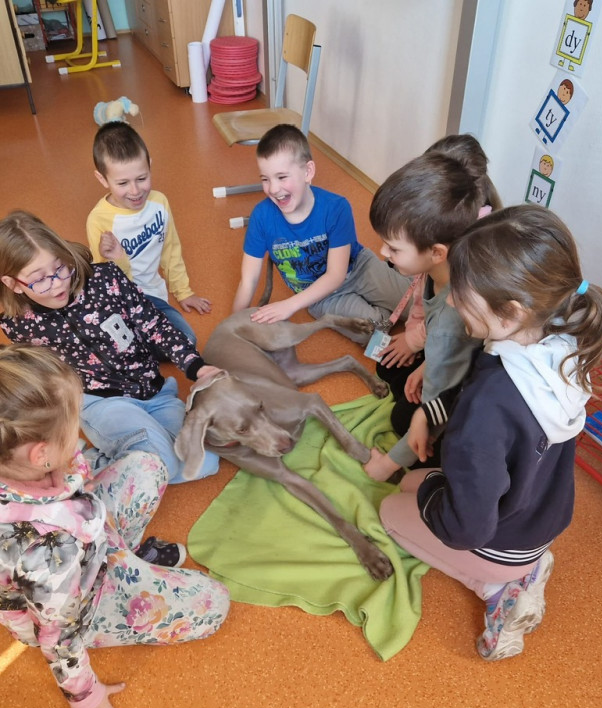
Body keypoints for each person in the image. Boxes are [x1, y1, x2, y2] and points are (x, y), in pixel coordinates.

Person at [0, 343, 230, 708]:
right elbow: (59, 636)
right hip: (73, 597)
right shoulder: (50, 557)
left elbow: (72, 483)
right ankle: (129, 568)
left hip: (80, 538)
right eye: (74, 419)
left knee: (148, 465)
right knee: (214, 603)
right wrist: (86, 701)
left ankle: (127, 557)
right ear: (41, 454)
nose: (79, 429)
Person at [379, 204, 602, 661]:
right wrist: (429, 415)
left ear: (509, 312)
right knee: (415, 483)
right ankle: (528, 564)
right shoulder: (559, 341)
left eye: (461, 294)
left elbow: (467, 527)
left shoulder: (487, 411)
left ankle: (498, 588)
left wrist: (429, 493)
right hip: (539, 515)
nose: (450, 302)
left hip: (501, 540)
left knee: (390, 509)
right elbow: (476, 392)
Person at [0, 209, 221, 486]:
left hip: (156, 393)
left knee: (205, 462)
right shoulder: (18, 324)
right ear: (13, 284)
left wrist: (196, 366)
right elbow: (43, 376)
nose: (57, 283)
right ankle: (88, 465)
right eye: (40, 279)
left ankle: (108, 459)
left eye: (60, 267)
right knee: (162, 460)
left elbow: (155, 324)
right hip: (101, 403)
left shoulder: (106, 279)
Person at [362, 142, 497, 481]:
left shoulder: (453, 318)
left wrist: (385, 466)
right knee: (392, 368)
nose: (382, 252)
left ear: (437, 252)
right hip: (453, 362)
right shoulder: (441, 269)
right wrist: (427, 366)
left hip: (469, 402)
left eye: (393, 248)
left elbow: (438, 411)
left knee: (404, 422)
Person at [230, 123, 409, 343]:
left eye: (282, 177)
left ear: (308, 172)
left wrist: (288, 306)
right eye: (265, 179)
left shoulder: (336, 207)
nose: (273, 189)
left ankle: (396, 286)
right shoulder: (261, 217)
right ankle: (387, 303)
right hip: (319, 297)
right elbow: (248, 280)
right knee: (370, 333)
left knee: (416, 304)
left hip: (359, 268)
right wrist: (233, 328)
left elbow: (336, 274)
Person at [87, 121, 211, 343]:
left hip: (153, 297)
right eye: (123, 183)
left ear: (150, 166)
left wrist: (183, 292)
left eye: (142, 178)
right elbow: (105, 282)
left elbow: (170, 249)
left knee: (185, 340)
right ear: (102, 179)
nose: (135, 191)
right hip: (120, 303)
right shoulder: (98, 220)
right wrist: (114, 258)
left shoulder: (159, 203)